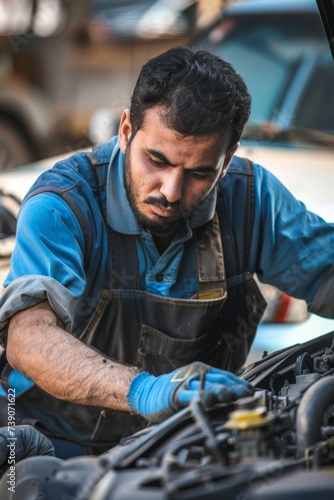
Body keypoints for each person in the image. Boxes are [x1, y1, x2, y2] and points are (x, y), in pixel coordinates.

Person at [0, 46, 333, 458]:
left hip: (186, 448)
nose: (171, 191)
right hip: (52, 447)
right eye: (156, 160)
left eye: (199, 173)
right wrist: (144, 390)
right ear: (125, 131)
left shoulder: (250, 199)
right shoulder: (64, 204)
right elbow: (28, 338)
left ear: (227, 160)